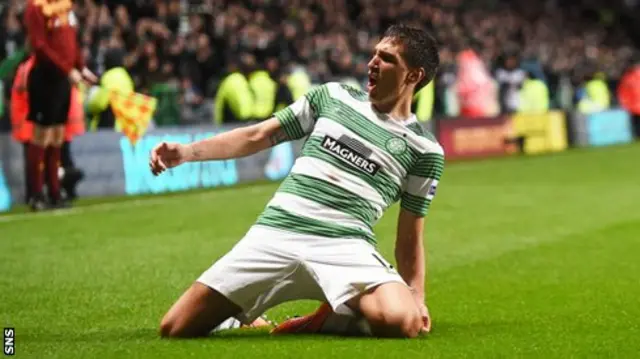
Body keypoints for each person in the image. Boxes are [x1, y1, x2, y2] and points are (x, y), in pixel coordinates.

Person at [149, 24, 444, 339]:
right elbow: (257, 135)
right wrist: (187, 152)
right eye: (374, 54)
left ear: (413, 76)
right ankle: (241, 316)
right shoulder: (332, 96)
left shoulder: (425, 150)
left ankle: (331, 317)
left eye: (386, 58)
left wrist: (417, 297)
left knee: (402, 321)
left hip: (345, 244)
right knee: (175, 327)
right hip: (276, 233)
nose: (372, 62)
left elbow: (410, 235)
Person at [23, 0, 96, 211]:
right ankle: (36, 194)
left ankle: (54, 192)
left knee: (57, 136)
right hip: (44, 78)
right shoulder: (35, 7)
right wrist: (67, 69)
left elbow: (71, 40)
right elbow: (39, 45)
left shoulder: (65, 4)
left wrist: (81, 67)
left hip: (63, 80)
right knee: (41, 137)